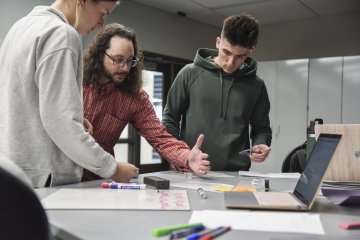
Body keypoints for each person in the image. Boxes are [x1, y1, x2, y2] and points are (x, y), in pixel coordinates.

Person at [0, 0, 139, 188]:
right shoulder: (62, 34)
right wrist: (113, 168)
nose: (101, 24)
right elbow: (60, 122)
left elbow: (21, 101)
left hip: (11, 173)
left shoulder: (20, 28)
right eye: (103, 13)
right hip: (43, 179)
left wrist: (74, 117)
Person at [82, 23, 211, 181]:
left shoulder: (135, 98)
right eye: (118, 60)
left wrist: (187, 157)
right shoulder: (75, 81)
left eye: (130, 61)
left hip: (98, 180)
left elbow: (159, 136)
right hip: (59, 174)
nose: (125, 68)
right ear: (100, 54)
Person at [162, 14, 272, 171]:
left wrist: (260, 144)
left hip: (236, 174)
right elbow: (169, 119)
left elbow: (261, 129)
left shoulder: (257, 85)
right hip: (191, 171)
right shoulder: (189, 73)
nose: (230, 63)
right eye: (226, 52)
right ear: (218, 42)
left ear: (250, 52)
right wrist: (178, 155)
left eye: (239, 56)